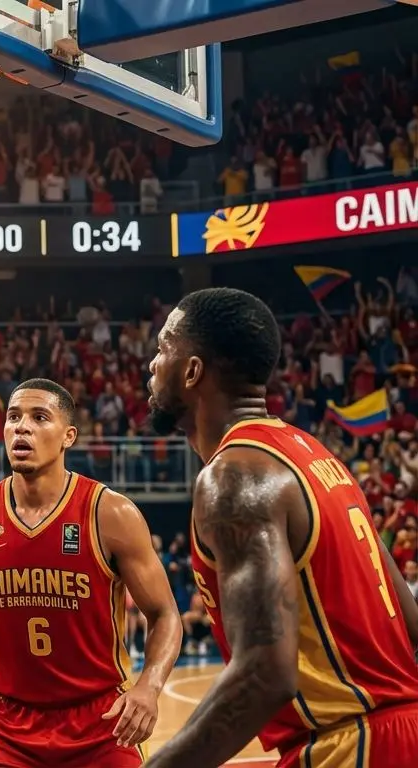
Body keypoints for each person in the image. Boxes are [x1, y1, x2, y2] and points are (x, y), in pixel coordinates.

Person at [143, 287, 418, 767]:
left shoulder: (236, 476)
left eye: (164, 348)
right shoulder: (313, 455)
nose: (151, 363)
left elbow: (265, 673)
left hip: (352, 744)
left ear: (192, 371)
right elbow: (408, 620)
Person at [0, 378, 182, 768]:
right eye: (13, 417)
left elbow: (165, 615)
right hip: (9, 724)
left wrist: (149, 687)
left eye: (39, 418)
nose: (22, 427)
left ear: (68, 436)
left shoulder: (110, 513)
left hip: (100, 721)